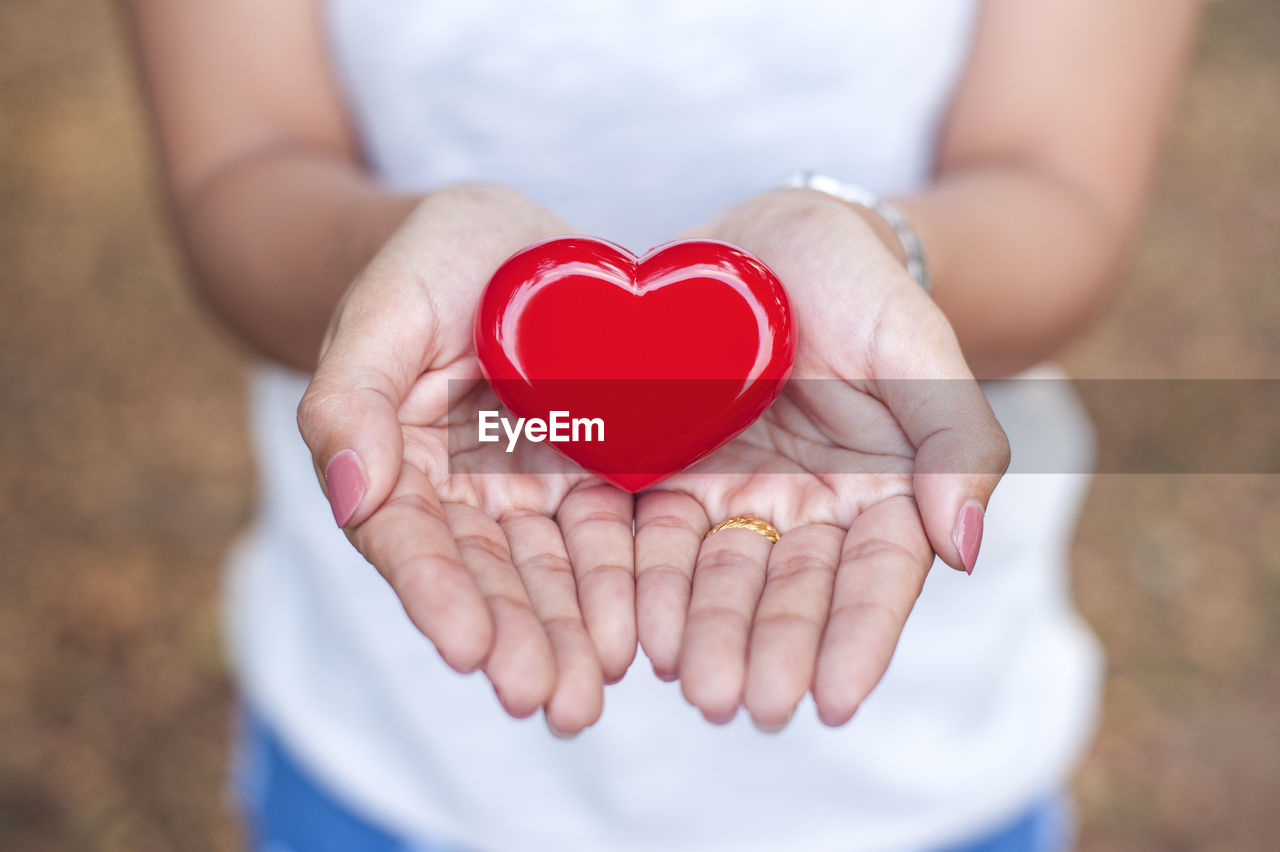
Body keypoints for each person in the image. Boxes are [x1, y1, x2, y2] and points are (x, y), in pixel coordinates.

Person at [128, 1, 1200, 849]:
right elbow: (237, 167)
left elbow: (1064, 194)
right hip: (392, 733)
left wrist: (881, 252)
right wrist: (393, 264)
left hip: (916, 755)